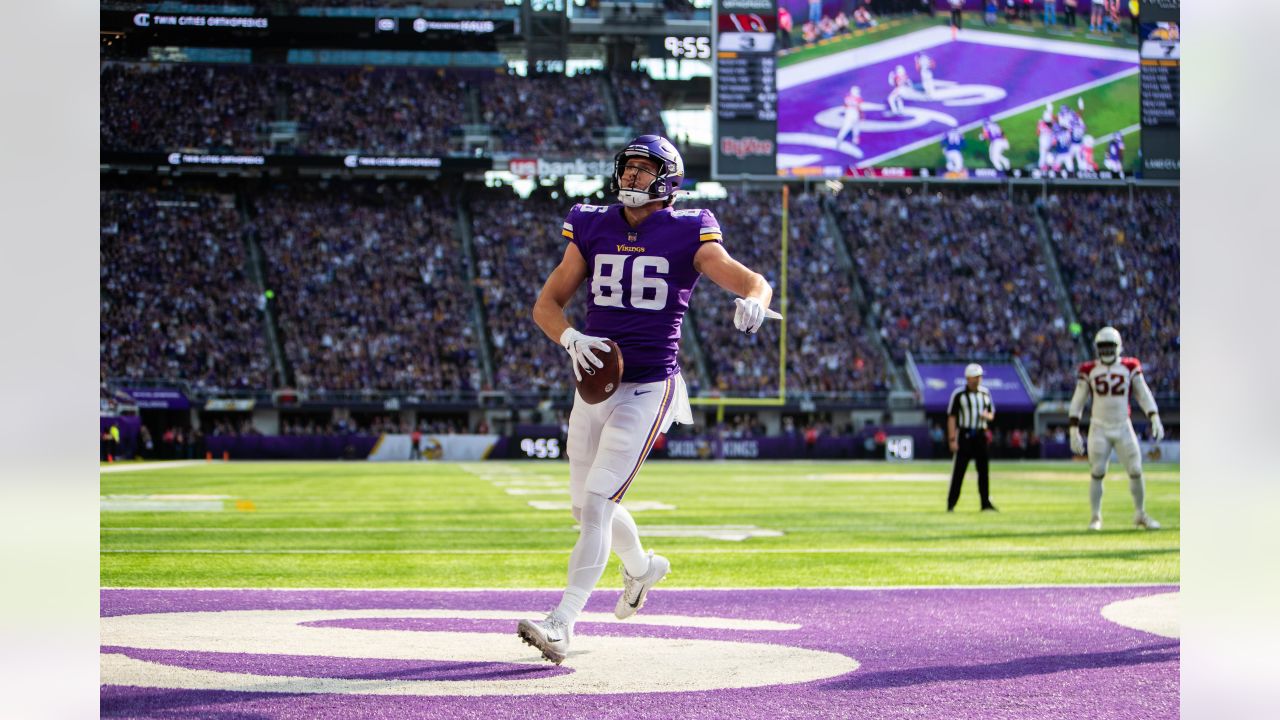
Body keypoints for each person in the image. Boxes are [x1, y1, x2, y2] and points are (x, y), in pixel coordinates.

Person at [518, 134, 776, 664]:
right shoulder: (591, 223)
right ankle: (640, 568)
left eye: (642, 169)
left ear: (666, 178)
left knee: (596, 505)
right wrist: (570, 338)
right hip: (594, 379)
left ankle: (562, 621)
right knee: (583, 506)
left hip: (649, 385)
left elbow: (751, 279)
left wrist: (754, 300)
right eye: (628, 168)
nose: (631, 177)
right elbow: (547, 303)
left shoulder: (689, 229)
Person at [1068, 327, 1164, 531]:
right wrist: (1073, 429)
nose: (1106, 350)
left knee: (1136, 470)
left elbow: (1143, 394)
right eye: (1102, 346)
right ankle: (1095, 517)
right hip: (1099, 426)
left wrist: (1154, 415)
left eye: (1109, 346)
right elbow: (1078, 400)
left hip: (1122, 425)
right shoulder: (1089, 370)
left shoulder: (1129, 366)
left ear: (1118, 346)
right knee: (1097, 471)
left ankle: (1140, 513)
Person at [946, 363, 998, 512]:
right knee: (959, 471)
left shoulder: (985, 393)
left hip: (981, 435)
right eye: (975, 377)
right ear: (968, 378)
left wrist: (986, 416)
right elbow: (952, 417)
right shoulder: (959, 394)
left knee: (983, 471)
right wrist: (952, 439)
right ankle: (951, 503)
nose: (978, 380)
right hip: (965, 435)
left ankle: (985, 502)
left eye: (979, 377)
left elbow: (991, 414)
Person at [835, 85, 863, 149]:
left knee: (845, 128)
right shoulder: (858, 98)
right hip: (855, 115)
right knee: (856, 127)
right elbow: (859, 108)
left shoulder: (847, 98)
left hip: (849, 115)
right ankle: (855, 140)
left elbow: (845, 106)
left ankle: (839, 139)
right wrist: (861, 115)